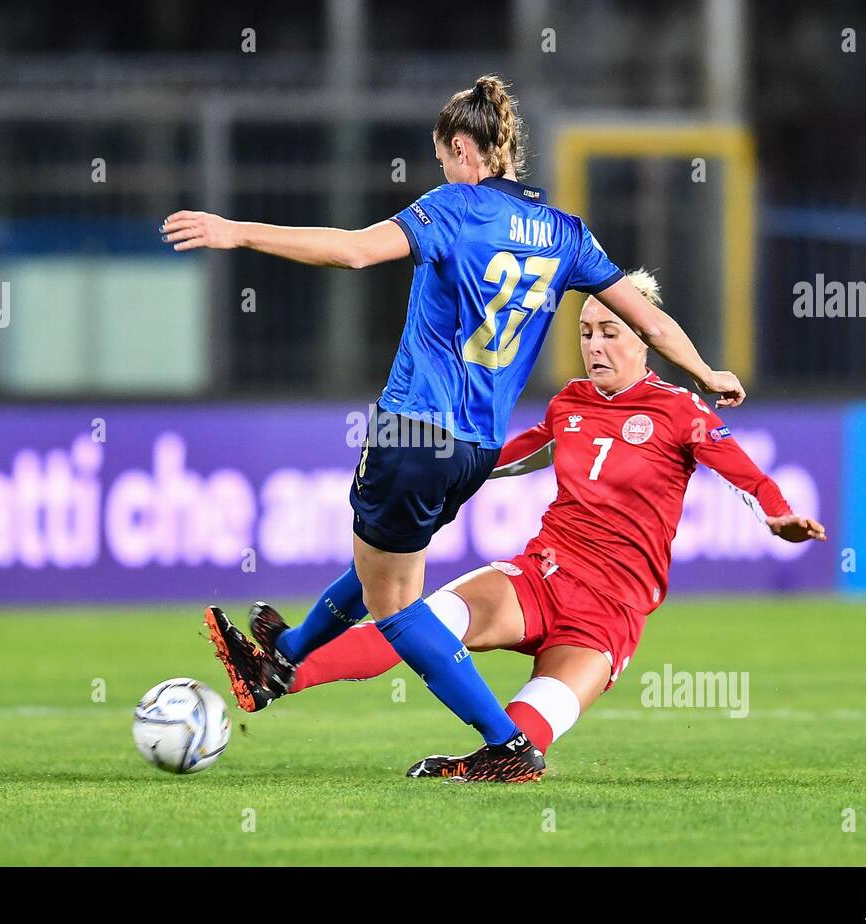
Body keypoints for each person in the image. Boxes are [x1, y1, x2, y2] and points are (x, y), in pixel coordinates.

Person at [163, 75, 744, 779]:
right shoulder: (567, 233)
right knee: (386, 564)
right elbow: (648, 320)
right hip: (472, 448)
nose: (441, 168)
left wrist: (238, 232)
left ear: (464, 148)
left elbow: (351, 251)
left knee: (398, 606)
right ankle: (281, 659)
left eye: (442, 155)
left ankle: (507, 744)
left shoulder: (453, 208)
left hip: (414, 431)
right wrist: (707, 372)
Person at [238, 277, 825, 781]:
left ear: (645, 338)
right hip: (540, 576)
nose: (594, 345)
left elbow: (745, 475)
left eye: (610, 332)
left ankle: (479, 762)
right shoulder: (570, 403)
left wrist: (777, 516)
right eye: (586, 332)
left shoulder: (681, 412)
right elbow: (512, 456)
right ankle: (277, 676)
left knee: (524, 742)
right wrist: (440, 469)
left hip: (610, 614)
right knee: (415, 619)